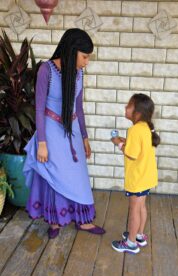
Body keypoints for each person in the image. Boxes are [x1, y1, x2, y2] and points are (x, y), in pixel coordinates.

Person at [23, 28, 105, 238]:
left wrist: (85, 138)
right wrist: (42, 142)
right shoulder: (46, 70)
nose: (86, 62)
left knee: (78, 176)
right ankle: (55, 222)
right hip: (50, 129)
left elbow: (79, 107)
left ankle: (83, 221)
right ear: (72, 50)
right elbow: (39, 108)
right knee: (55, 175)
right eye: (85, 56)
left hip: (73, 131)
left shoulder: (79, 72)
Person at [111, 93, 160, 254]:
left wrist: (118, 143)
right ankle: (139, 235)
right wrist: (126, 140)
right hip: (147, 177)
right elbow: (138, 147)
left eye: (129, 106)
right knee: (141, 207)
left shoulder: (134, 130)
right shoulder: (145, 127)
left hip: (137, 178)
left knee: (134, 210)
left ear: (137, 113)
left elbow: (131, 154)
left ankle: (131, 243)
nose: (126, 108)